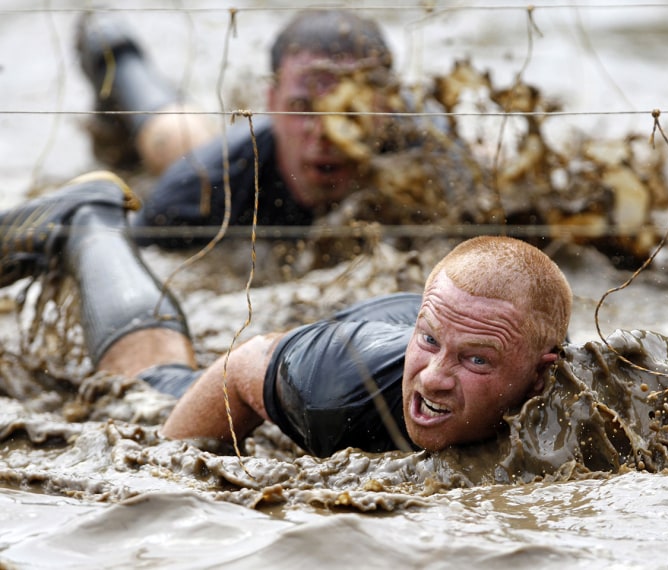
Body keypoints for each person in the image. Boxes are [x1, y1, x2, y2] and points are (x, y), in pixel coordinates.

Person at [0, 172, 572, 456]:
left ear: (544, 371)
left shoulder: (590, 401)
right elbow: (243, 365)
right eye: (431, 344)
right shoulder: (342, 392)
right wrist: (167, 478)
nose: (435, 377)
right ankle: (88, 223)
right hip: (321, 355)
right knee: (151, 383)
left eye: (476, 359)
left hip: (436, 319)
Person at [76, 9, 447, 249]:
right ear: (271, 101)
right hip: (210, 153)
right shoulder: (207, 182)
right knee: (174, 138)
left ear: (386, 107)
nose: (325, 134)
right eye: (303, 108)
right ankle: (116, 51)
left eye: (351, 113)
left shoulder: (430, 159)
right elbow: (123, 251)